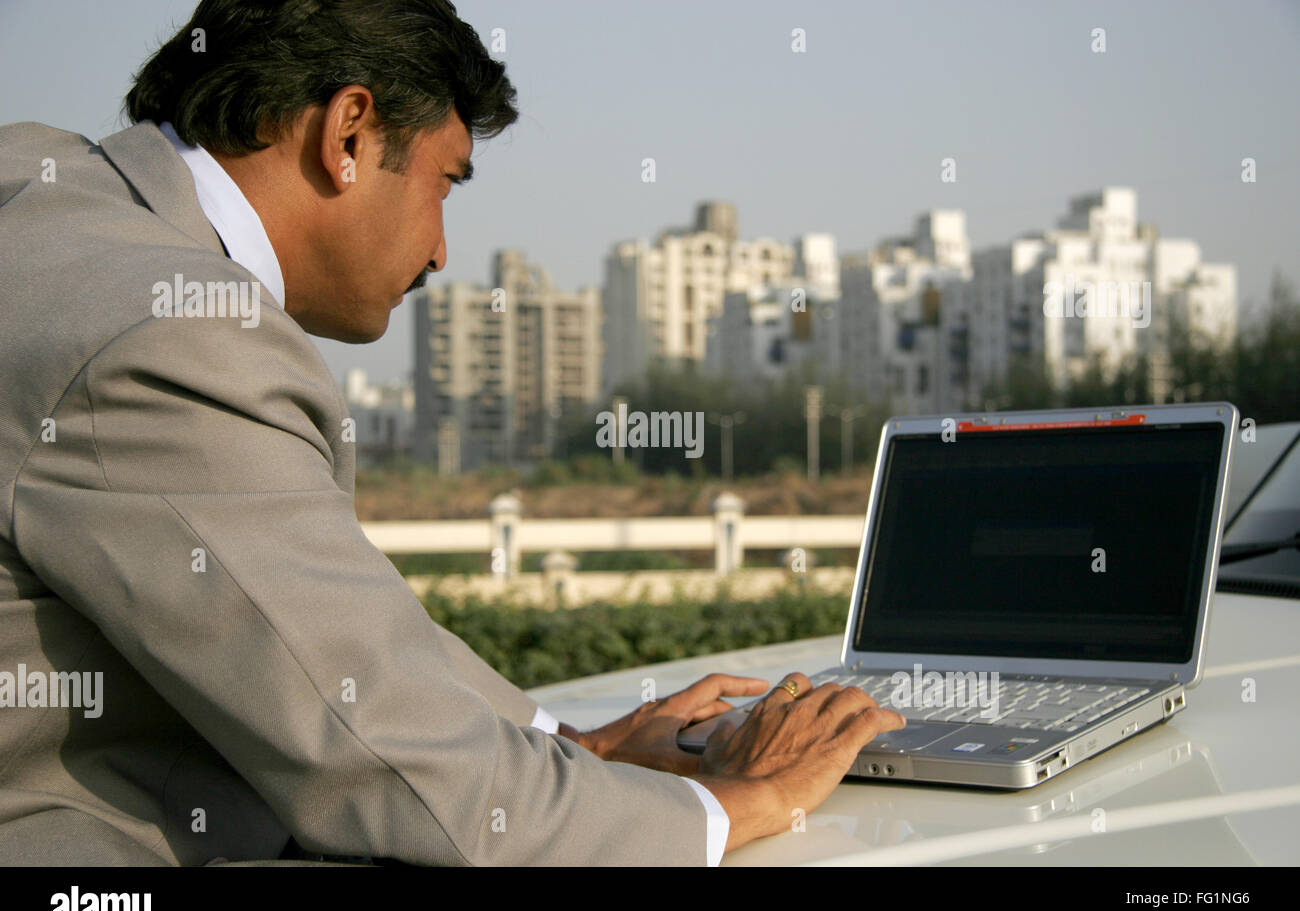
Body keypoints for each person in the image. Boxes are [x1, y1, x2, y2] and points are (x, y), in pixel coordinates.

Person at [0, 0, 902, 866]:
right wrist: (733, 804)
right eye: (446, 182)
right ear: (347, 134)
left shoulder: (44, 188)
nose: (439, 251)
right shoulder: (179, 332)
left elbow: (319, 619)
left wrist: (568, 742)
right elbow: (375, 754)